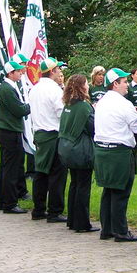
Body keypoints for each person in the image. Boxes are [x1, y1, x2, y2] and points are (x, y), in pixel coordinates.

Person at [94, 67, 137, 242]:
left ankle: (106, 229)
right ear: (115, 84)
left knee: (108, 190)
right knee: (120, 192)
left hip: (101, 150)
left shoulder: (101, 102)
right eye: (124, 82)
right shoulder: (124, 104)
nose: (127, 86)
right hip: (119, 151)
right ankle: (121, 231)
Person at [29, 56, 68, 222]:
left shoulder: (35, 89)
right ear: (52, 71)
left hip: (39, 133)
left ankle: (38, 209)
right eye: (58, 69)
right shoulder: (54, 90)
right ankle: (55, 211)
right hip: (53, 134)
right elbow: (61, 112)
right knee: (57, 174)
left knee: (40, 172)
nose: (60, 72)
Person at [58, 74, 97, 233]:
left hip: (66, 148)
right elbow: (92, 128)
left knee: (74, 184)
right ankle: (82, 223)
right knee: (83, 186)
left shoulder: (68, 104)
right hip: (80, 150)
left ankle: (72, 220)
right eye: (86, 83)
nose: (88, 86)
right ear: (82, 87)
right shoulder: (83, 106)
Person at [0, 58, 31, 214]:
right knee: (11, 168)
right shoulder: (8, 89)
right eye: (18, 71)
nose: (21, 73)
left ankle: (3, 200)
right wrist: (31, 104)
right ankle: (10, 202)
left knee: (5, 166)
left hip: (5, 130)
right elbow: (19, 110)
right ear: (10, 73)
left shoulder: (5, 87)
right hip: (10, 131)